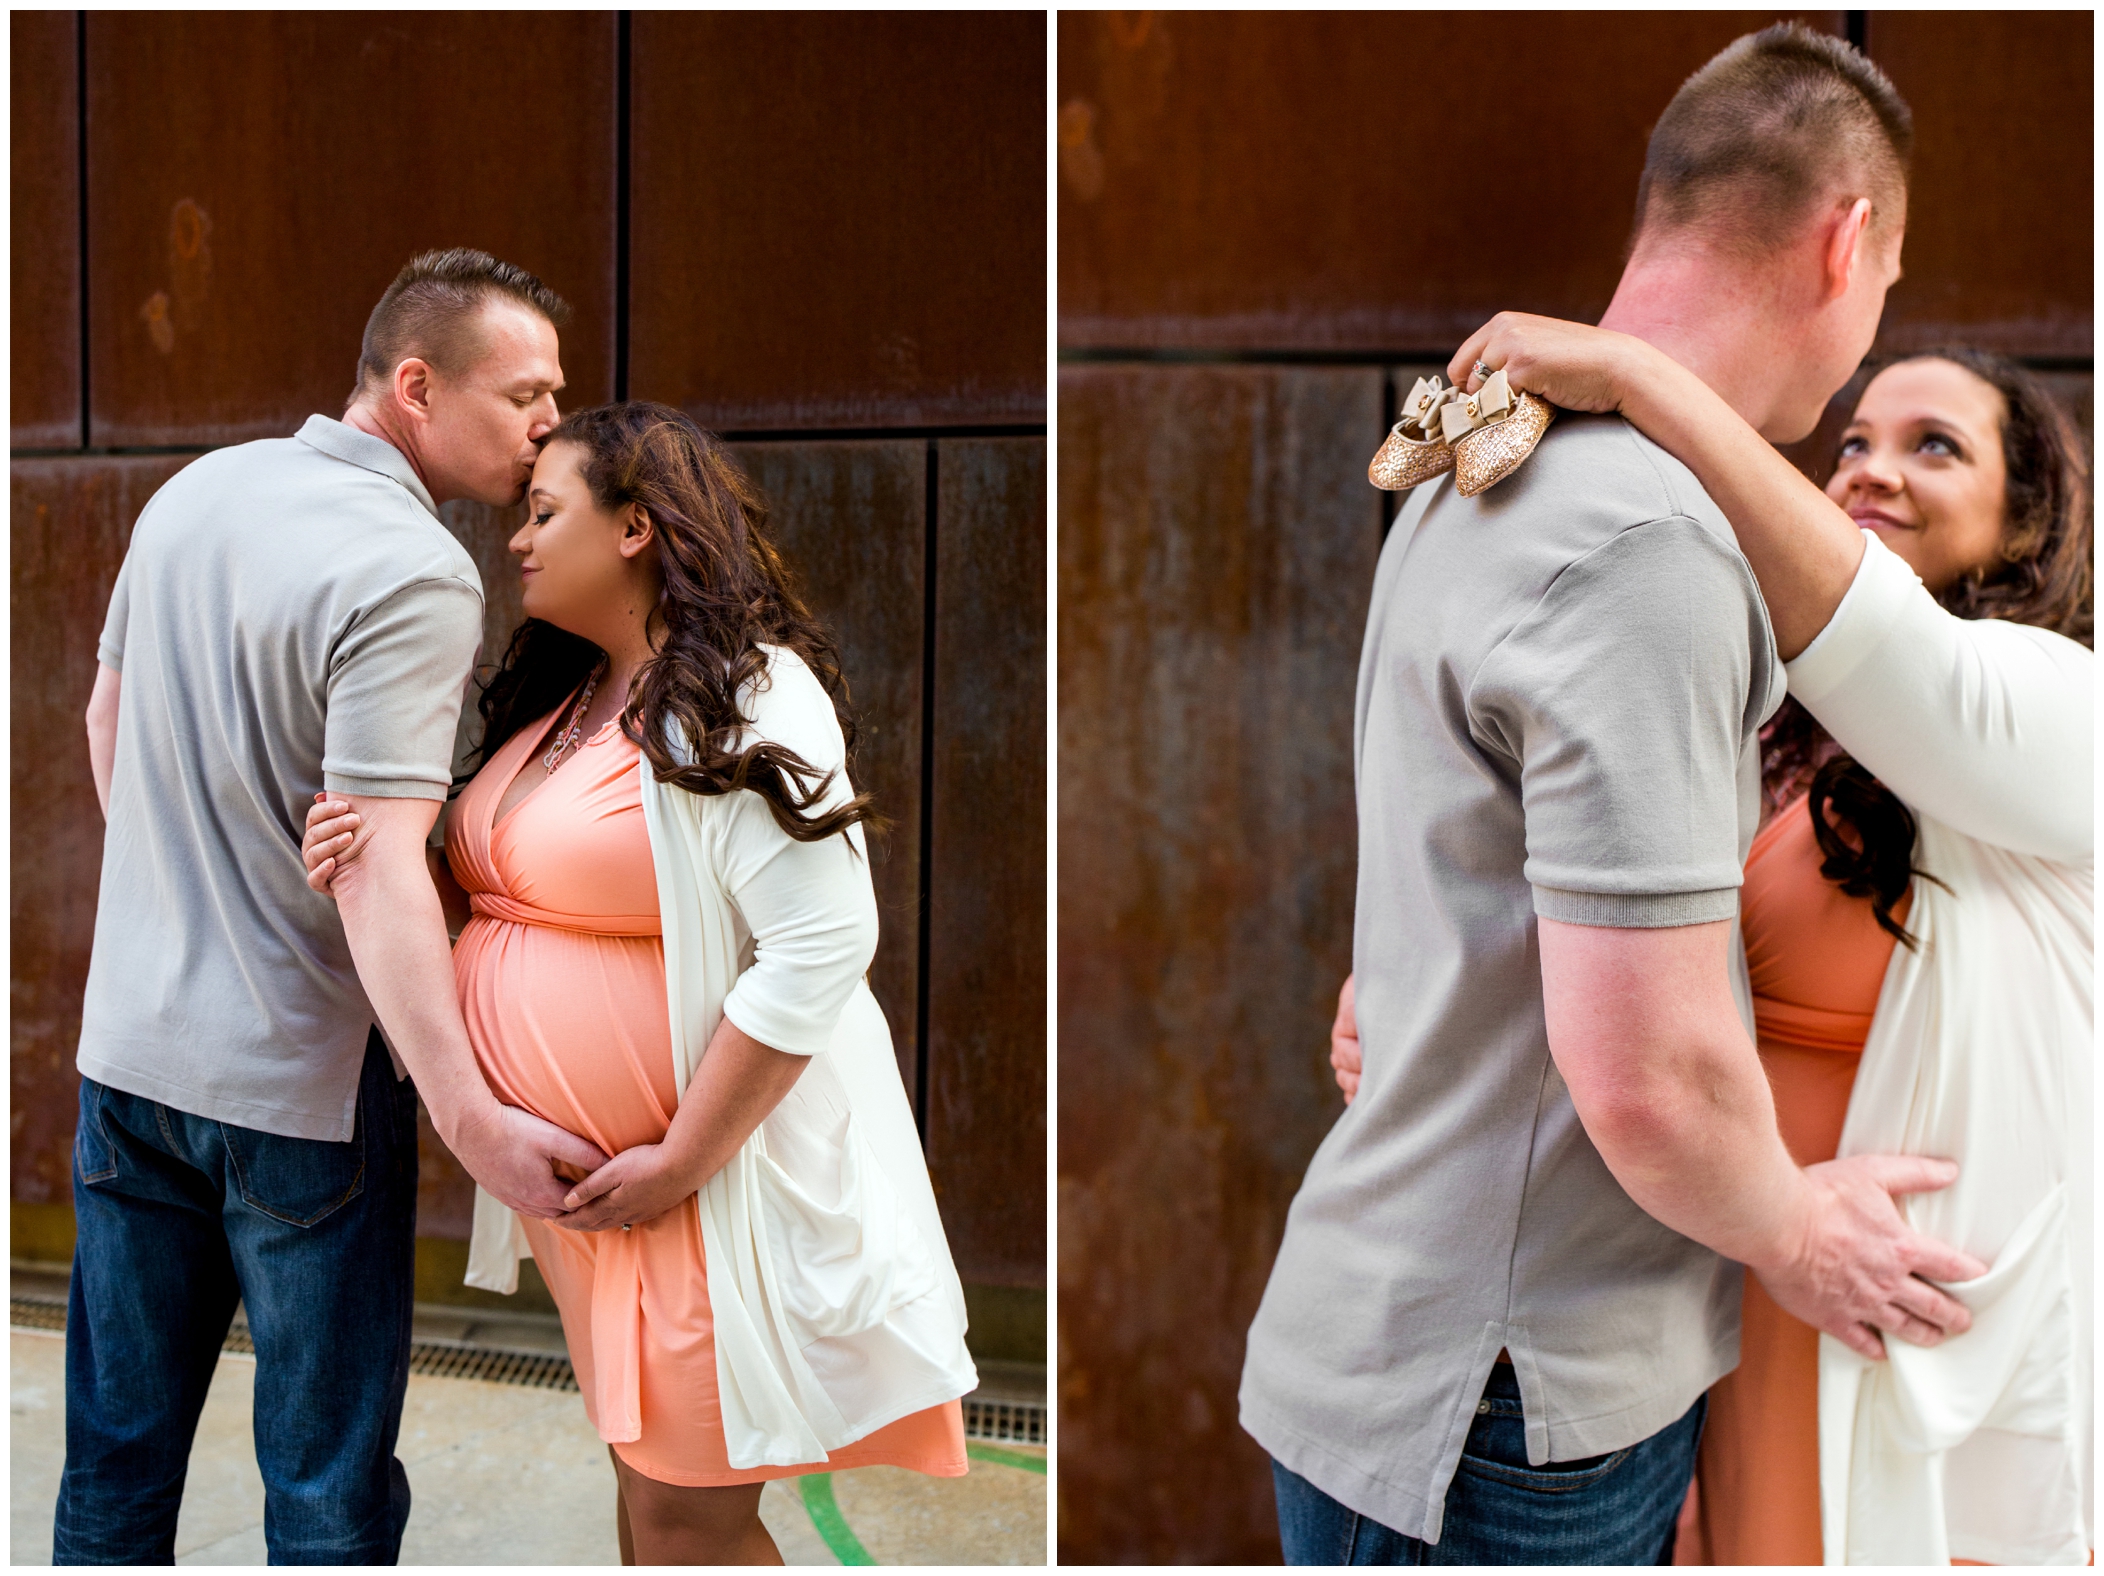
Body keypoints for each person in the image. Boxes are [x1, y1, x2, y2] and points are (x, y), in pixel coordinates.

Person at [1239, 26, 1989, 1565]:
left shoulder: (1490, 470)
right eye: (1888, 285)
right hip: (1510, 1399)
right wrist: (1801, 1236)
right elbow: (1643, 1072)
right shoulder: (1647, 545)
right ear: (1847, 242)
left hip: (1412, 1348)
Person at [1394, 328, 2089, 1565]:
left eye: (1934, 446)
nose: (1871, 469)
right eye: (1853, 444)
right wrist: (1416, 1011)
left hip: (1914, 1297)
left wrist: (1641, 382)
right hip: (1745, 1272)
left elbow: (1911, 670)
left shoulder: (2057, 705)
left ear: (2027, 522)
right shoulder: (1764, 731)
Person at [298, 401, 979, 1564]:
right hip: (601, 1205)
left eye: (544, 511)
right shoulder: (571, 696)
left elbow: (822, 943)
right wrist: (376, 864)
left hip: (701, 1195)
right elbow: (522, 896)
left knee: (688, 1522)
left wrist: (679, 1159)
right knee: (648, 1499)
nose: (515, 537)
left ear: (634, 528)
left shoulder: (747, 694)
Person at [60, 249, 607, 1564]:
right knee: (323, 1495)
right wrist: (476, 1120)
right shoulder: (414, 570)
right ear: (416, 387)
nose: (552, 427)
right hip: (297, 1092)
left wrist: (187, 898)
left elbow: (108, 720)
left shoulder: (198, 493)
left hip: (127, 1061)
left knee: (113, 1469)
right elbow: (373, 863)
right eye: (526, 395)